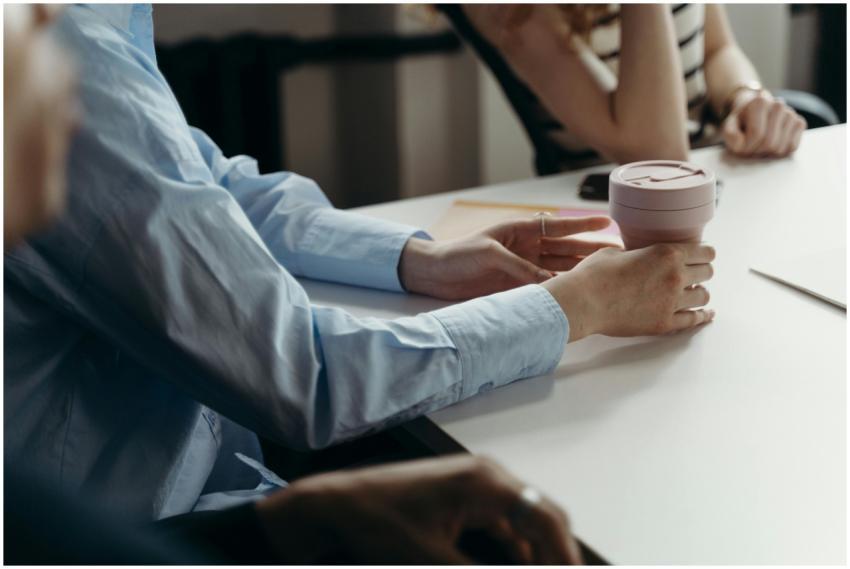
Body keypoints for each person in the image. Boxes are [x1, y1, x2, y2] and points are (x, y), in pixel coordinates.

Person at [5, 3, 714, 524]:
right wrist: (575, 307)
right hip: (121, 528)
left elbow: (216, 184)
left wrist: (421, 259)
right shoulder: (59, 50)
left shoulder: (93, 23)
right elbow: (305, 374)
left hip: (205, 479)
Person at [439, 4, 809, 174]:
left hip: (720, 169)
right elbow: (656, 151)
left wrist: (742, 96)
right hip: (617, 201)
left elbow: (716, 49)